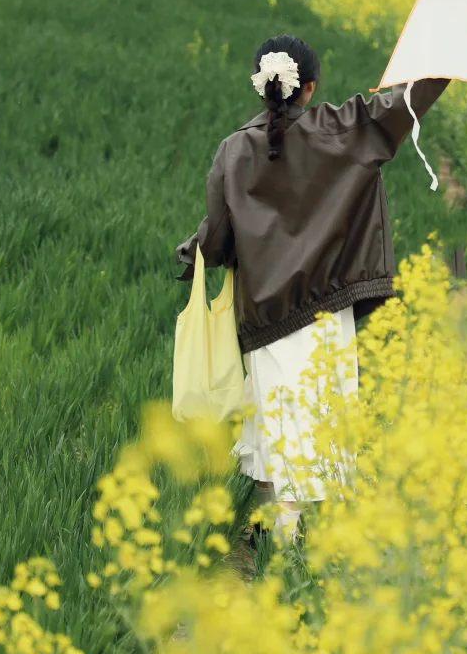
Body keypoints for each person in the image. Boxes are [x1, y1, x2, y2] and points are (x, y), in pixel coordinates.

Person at [175, 35, 449, 542]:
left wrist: (192, 250)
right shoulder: (338, 131)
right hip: (325, 310)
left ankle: (275, 529)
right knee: (312, 418)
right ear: (312, 86)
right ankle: (289, 538)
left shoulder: (234, 150)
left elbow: (218, 234)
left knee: (272, 414)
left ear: (261, 87)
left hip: (263, 315)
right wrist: (444, 63)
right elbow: (398, 106)